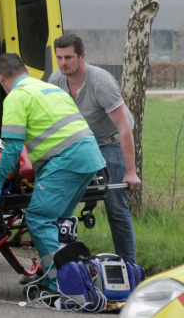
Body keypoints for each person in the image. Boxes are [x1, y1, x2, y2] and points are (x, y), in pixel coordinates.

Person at [0, 53, 105, 295]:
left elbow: (11, 150)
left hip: (66, 160)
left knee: (39, 219)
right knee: (58, 222)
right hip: (88, 157)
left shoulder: (16, 97)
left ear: (0, 78)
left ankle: (59, 283)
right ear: (26, 71)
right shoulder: (51, 89)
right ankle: (65, 274)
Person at [48, 34, 140, 263]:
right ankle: (59, 264)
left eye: (68, 57)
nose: (63, 63)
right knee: (60, 202)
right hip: (80, 143)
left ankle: (129, 268)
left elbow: (124, 128)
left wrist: (131, 171)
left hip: (110, 141)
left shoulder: (101, 82)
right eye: (59, 57)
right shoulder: (56, 80)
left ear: (82, 56)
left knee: (115, 206)